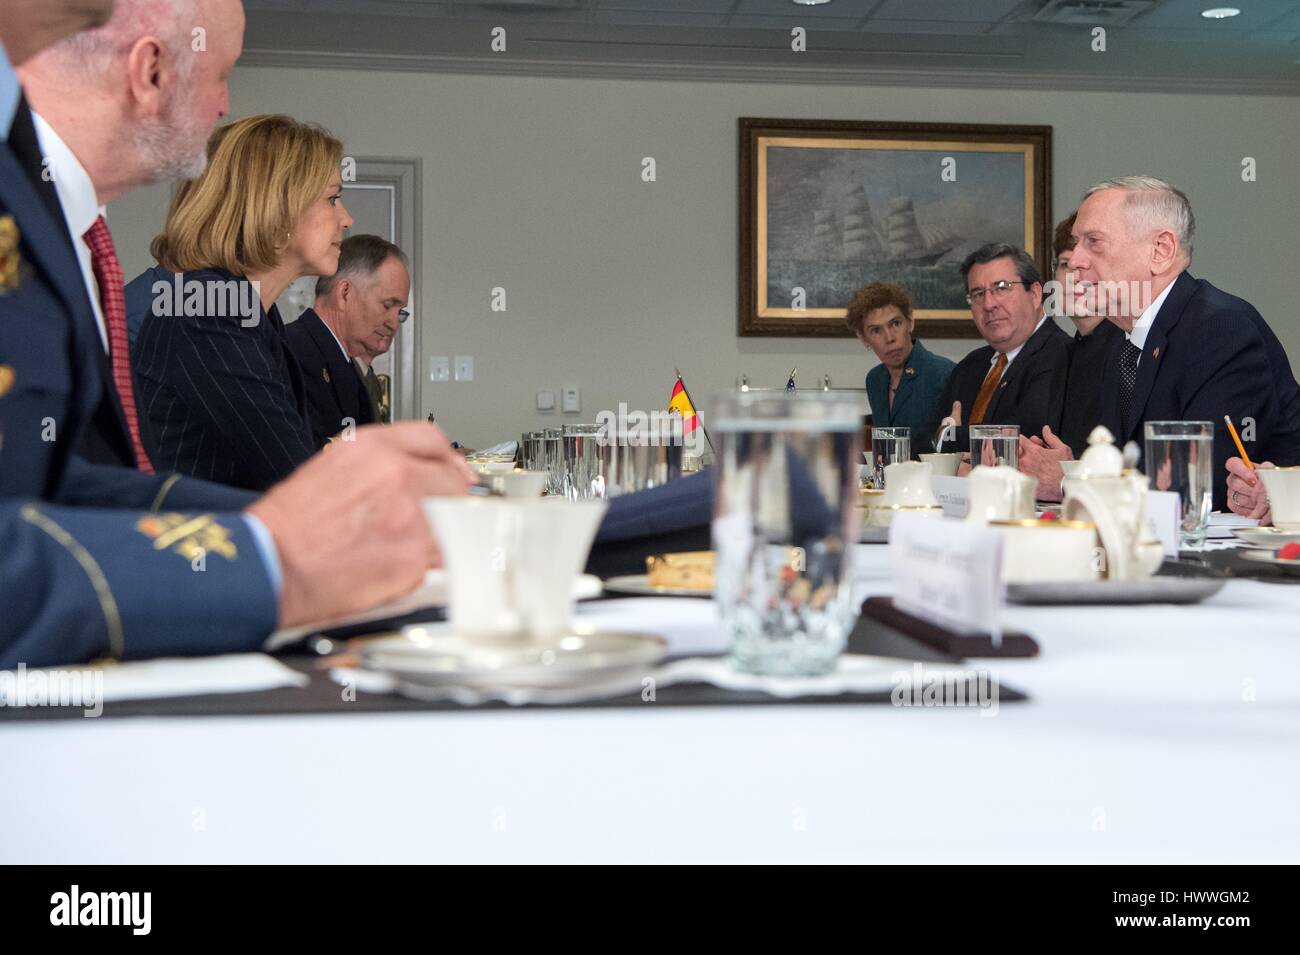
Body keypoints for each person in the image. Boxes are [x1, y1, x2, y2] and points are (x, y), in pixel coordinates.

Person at [1, 0, 474, 670]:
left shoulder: (229, 305)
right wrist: (272, 551)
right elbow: (288, 474)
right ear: (151, 71)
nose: (225, 105)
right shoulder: (204, 307)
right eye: (220, 75)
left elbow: (67, 486)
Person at [1047, 176, 1298, 510]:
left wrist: (1070, 481)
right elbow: (1126, 466)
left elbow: (1195, 485)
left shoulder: (1221, 329)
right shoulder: (1120, 342)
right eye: (1077, 243)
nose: (1075, 260)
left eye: (1093, 242)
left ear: (1161, 251)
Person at [133, 113, 354, 488]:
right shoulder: (206, 312)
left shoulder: (247, 312)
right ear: (277, 208)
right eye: (332, 199)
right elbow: (296, 477)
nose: (346, 219)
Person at [930, 243, 1071, 455]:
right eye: (978, 294)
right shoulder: (970, 366)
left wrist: (949, 438)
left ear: (1034, 294)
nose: (988, 304)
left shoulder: (1060, 355)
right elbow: (929, 433)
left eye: (1002, 287)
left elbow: (1017, 439)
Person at [285, 234, 408, 445]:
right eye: (387, 305)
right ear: (344, 293)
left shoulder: (347, 362)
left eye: (400, 312)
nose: (394, 323)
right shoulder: (292, 354)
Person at [850, 282, 954, 456]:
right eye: (876, 330)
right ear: (864, 339)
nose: (889, 338)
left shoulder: (944, 373)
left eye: (895, 323)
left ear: (910, 322)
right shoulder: (875, 379)